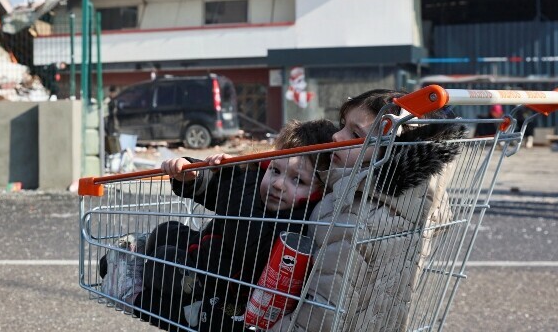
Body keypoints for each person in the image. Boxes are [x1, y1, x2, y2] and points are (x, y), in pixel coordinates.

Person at [270, 89, 464, 332]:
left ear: (391, 149)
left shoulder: (352, 211)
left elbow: (322, 311)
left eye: (354, 133)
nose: (336, 136)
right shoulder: (417, 205)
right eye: (342, 125)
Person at [136, 119, 338, 332]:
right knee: (166, 231)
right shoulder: (252, 185)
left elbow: (250, 243)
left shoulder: (298, 223)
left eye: (298, 180)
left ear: (319, 192)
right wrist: (192, 174)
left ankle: (133, 288)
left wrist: (239, 179)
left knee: (163, 262)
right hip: (208, 252)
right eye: (275, 171)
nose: (278, 184)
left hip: (224, 293)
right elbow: (216, 191)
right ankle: (135, 261)